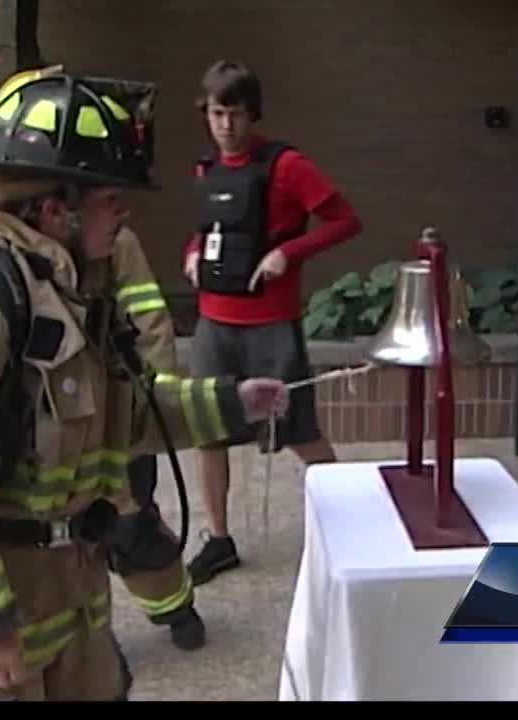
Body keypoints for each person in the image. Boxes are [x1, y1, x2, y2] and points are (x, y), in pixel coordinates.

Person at [0, 67, 289, 701]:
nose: (123, 211)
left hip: (63, 607)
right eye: (108, 196)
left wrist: (234, 403)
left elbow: (126, 416)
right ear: (52, 205)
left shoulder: (71, 297)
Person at [0, 219, 207, 653]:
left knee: (134, 525)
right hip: (47, 438)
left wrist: (149, 404)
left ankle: (175, 608)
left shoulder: (113, 238)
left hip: (113, 417)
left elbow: (148, 317)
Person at [181, 60, 362, 586]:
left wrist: (289, 252)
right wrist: (193, 253)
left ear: (251, 114)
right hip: (214, 323)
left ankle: (355, 518)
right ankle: (218, 539)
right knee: (207, 432)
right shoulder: (206, 169)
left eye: (235, 115)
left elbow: (346, 220)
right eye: (217, 114)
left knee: (297, 430)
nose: (226, 126)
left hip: (270, 324)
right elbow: (208, 229)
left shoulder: (287, 166)